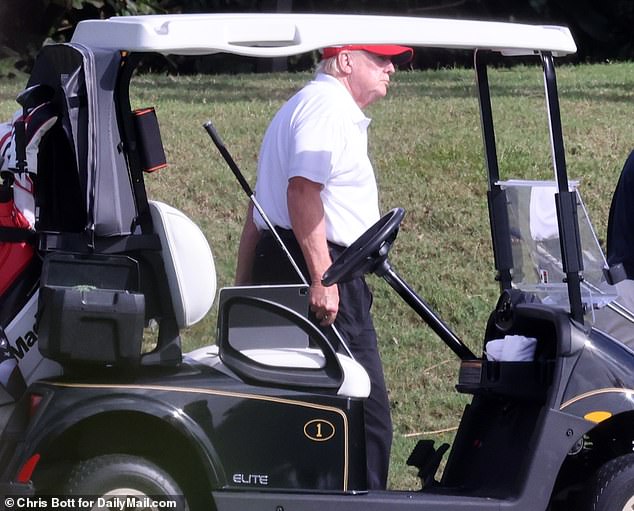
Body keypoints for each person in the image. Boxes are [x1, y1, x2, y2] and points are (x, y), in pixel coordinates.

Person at [235, 43, 413, 490]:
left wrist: (243, 290)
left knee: (307, 414)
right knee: (365, 422)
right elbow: (301, 193)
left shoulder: (305, 106)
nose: (391, 68)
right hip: (320, 272)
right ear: (346, 60)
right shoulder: (327, 109)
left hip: (298, 266)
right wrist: (322, 277)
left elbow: (257, 215)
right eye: (381, 58)